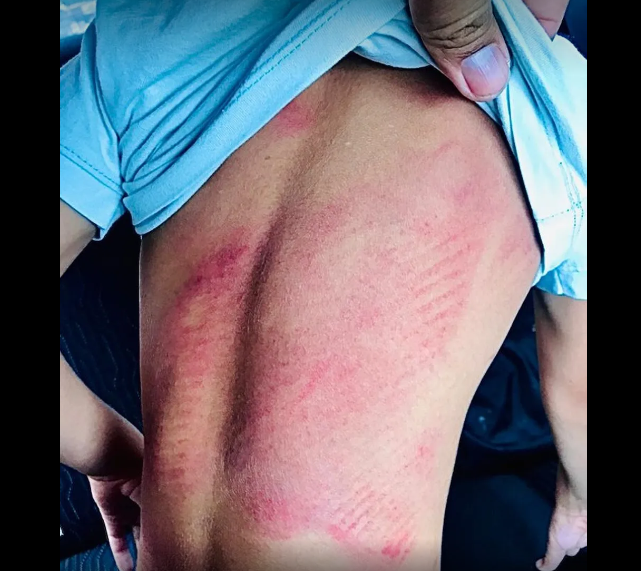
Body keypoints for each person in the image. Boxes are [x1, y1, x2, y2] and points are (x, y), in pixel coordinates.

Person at [60, 1, 586, 570]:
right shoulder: (561, 111)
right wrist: (577, 502)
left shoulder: (152, 32)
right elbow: (576, 394)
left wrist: (107, 454)